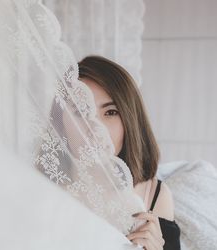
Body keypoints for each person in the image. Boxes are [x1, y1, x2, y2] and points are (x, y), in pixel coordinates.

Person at [78, 55, 181, 250]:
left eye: (110, 112)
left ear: (130, 120)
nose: (95, 127)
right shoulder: (43, 185)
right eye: (82, 112)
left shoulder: (154, 196)